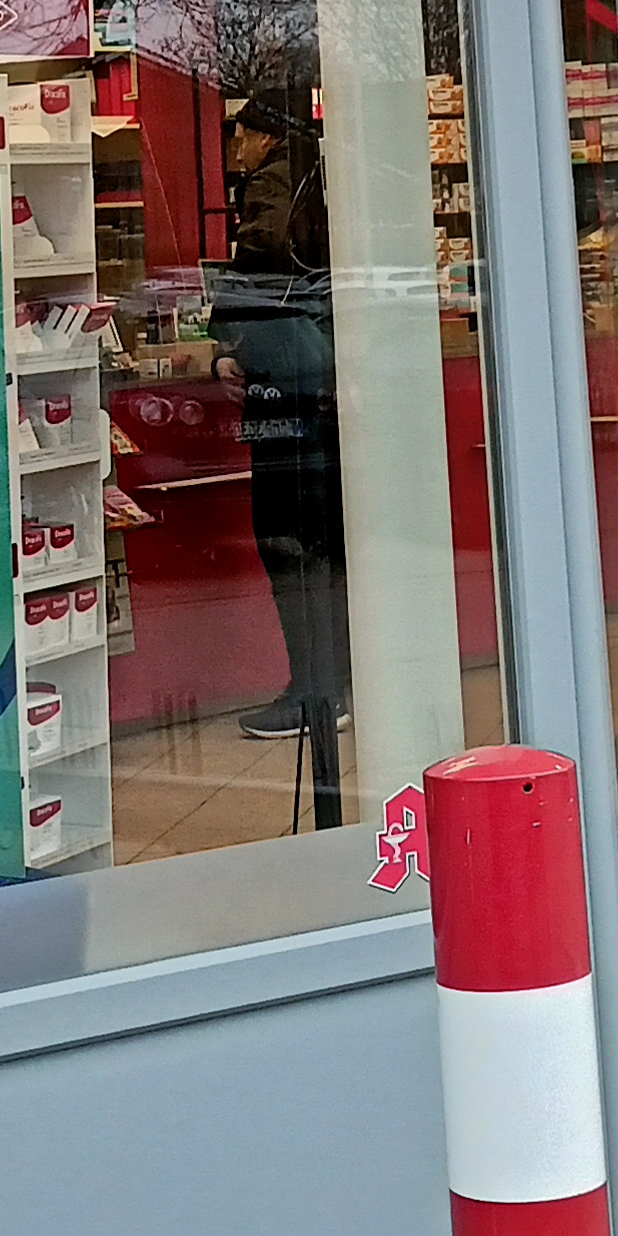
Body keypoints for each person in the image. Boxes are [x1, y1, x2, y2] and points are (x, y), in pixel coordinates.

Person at [207, 95, 347, 756]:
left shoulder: (270, 185)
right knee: (326, 545)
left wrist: (227, 339)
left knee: (287, 541)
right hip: (328, 385)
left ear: (264, 138)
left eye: (241, 138)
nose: (236, 152)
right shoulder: (328, 172)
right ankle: (336, 685)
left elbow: (258, 268)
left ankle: (312, 691)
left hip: (288, 391)